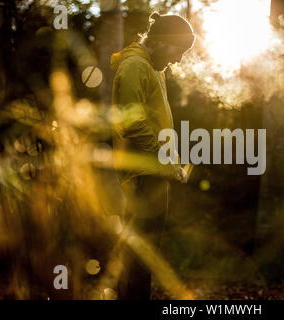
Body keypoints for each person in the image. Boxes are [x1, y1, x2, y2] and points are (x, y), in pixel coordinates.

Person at [110, 12, 195, 299]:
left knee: (145, 253)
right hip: (142, 173)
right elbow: (131, 121)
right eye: (178, 51)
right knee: (140, 254)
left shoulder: (152, 68)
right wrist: (166, 155)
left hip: (153, 170)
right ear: (160, 40)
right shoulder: (135, 66)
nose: (179, 60)